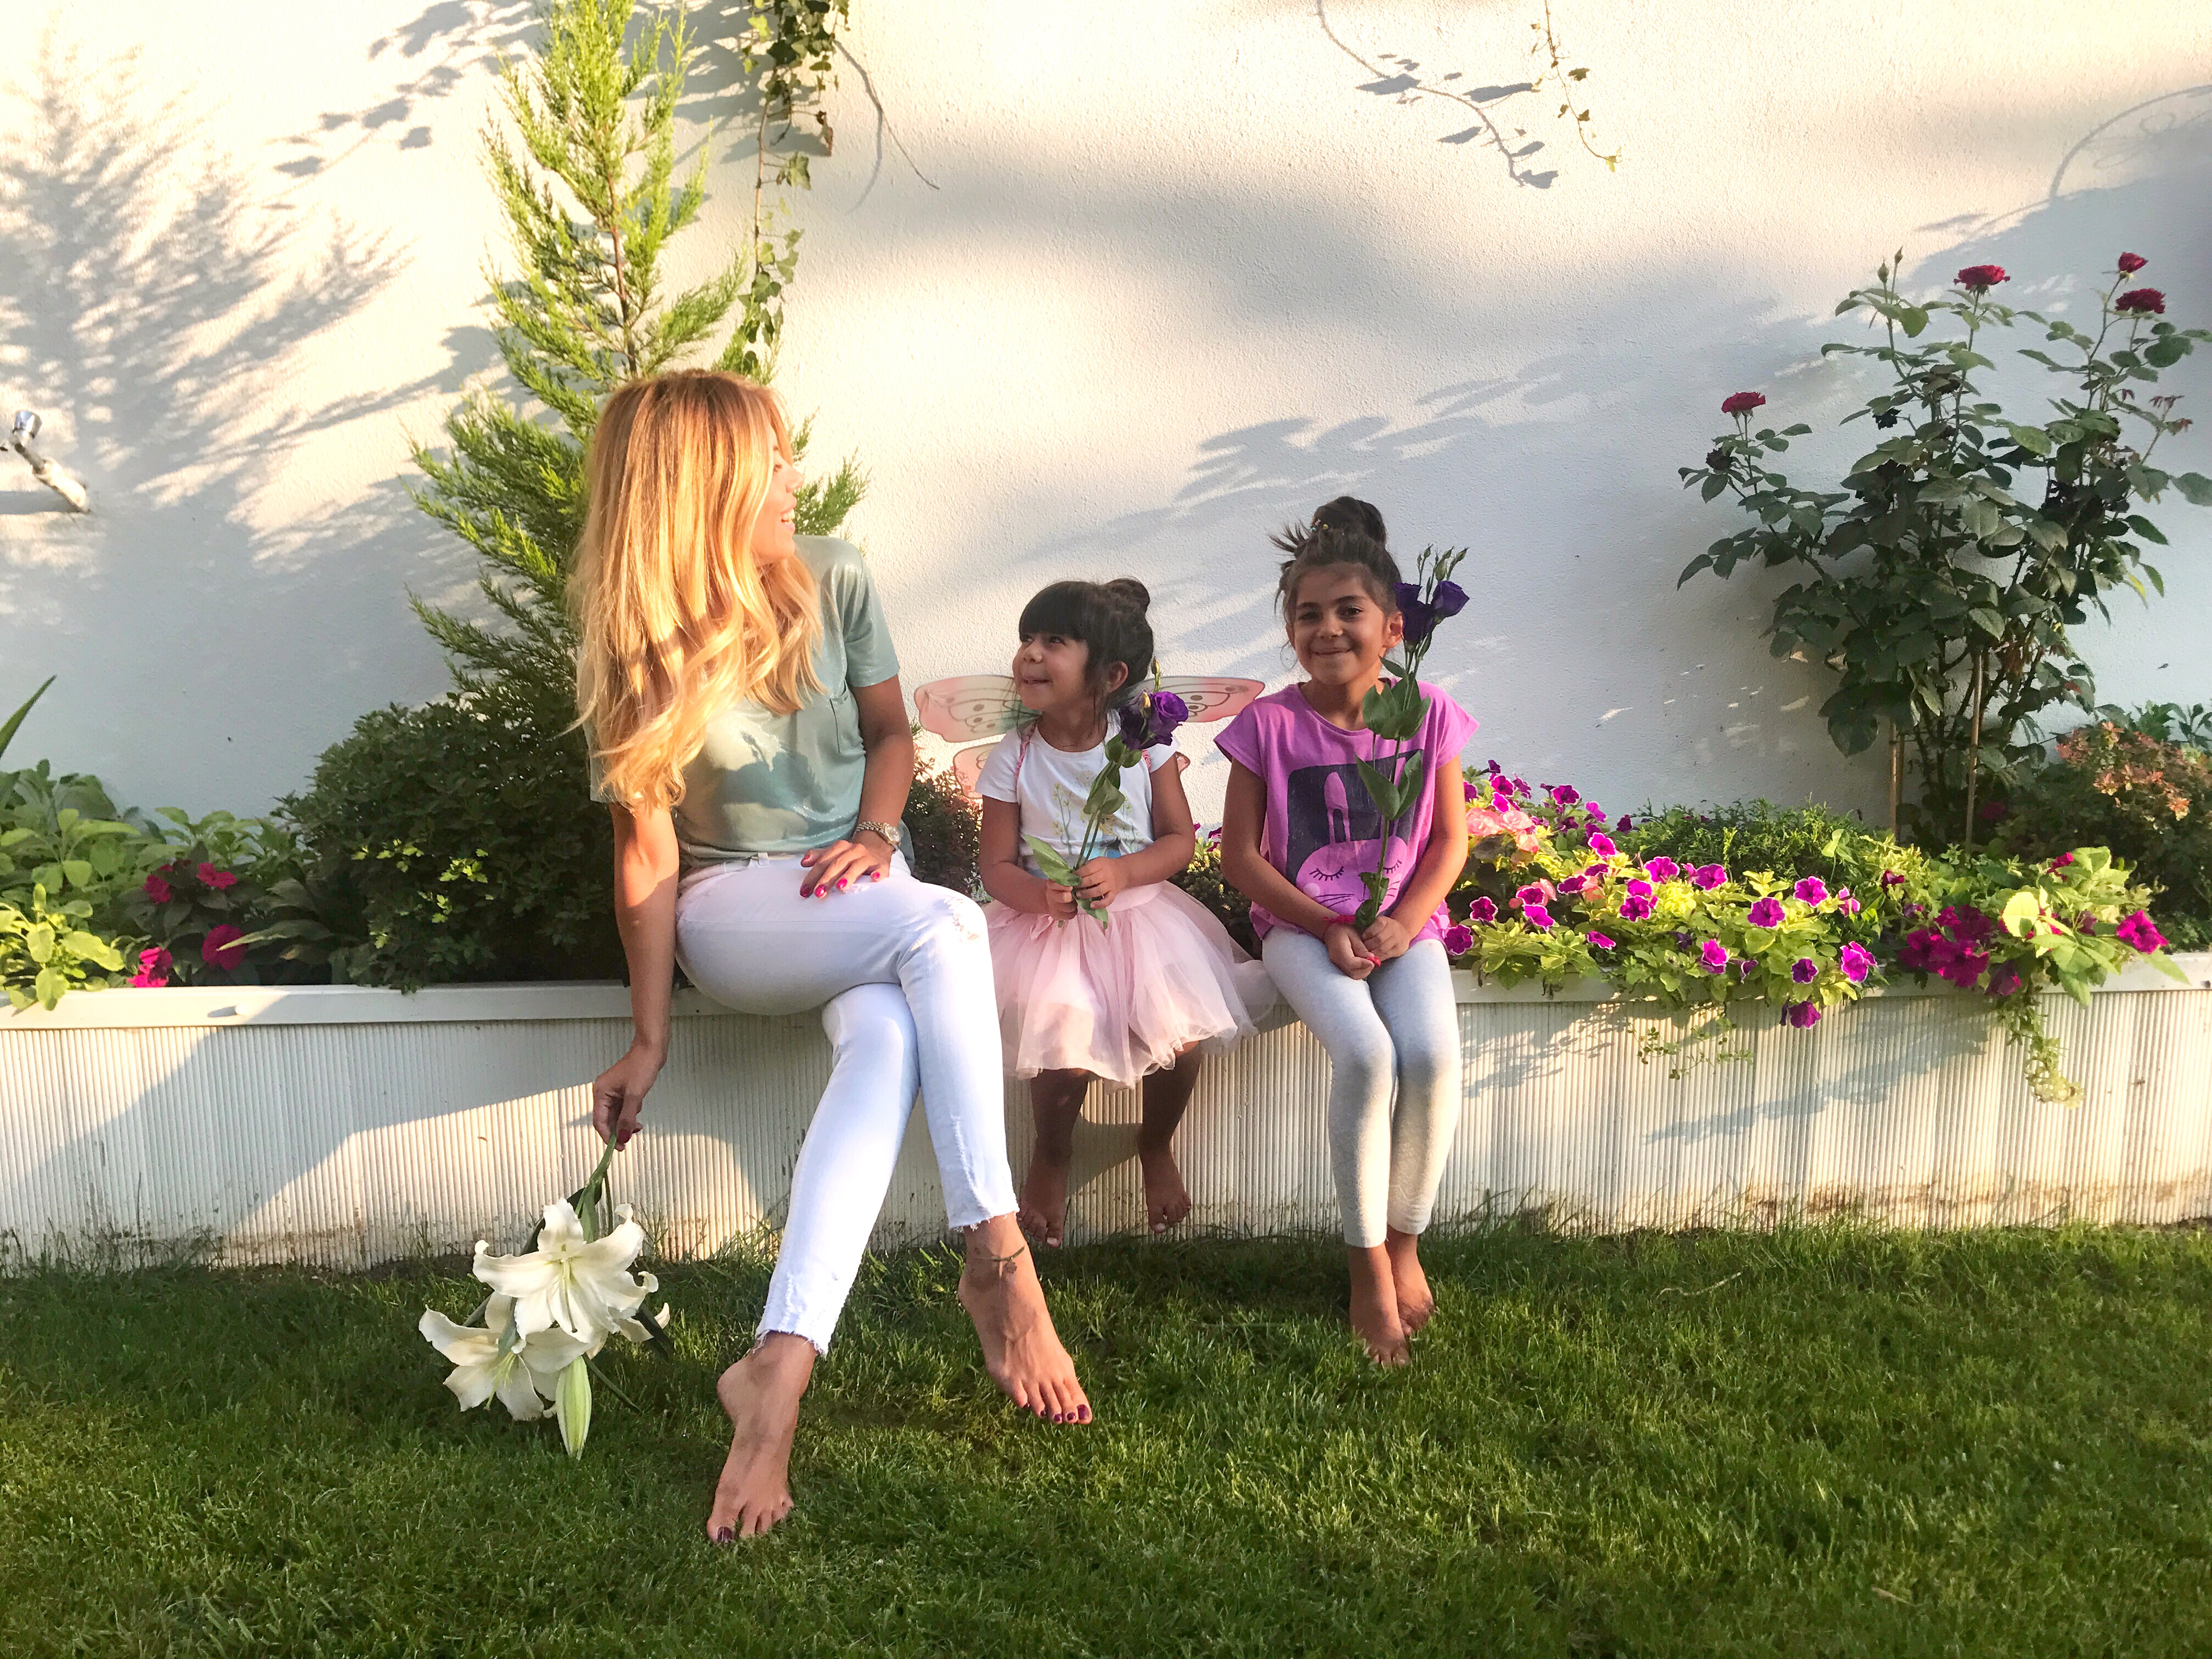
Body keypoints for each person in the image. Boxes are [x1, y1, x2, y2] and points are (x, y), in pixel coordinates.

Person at [573, 370, 1090, 1543]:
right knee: (947, 922)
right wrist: (649, 1036)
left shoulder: (835, 573)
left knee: (892, 1035)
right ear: (706, 486)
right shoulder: (637, 635)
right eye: (770, 461)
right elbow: (647, 851)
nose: (792, 478)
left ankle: (778, 1369)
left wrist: (876, 831)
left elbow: (891, 733)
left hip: (859, 879)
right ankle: (998, 1258)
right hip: (733, 907)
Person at [1214, 519, 1473, 1364]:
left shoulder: (1427, 714)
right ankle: (1366, 1269)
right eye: (1307, 614)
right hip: (1300, 928)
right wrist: (1323, 924)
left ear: (1393, 627)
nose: (1327, 628)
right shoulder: (1266, 727)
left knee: (1430, 1057)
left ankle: (1404, 1242)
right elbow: (1240, 857)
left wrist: (1406, 919)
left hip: (1404, 928)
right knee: (1367, 1055)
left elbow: (1451, 842)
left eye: (1348, 611)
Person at [975, 579, 1272, 1245]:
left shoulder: (1142, 746)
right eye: (1027, 638)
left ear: (1110, 676)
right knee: (1062, 1046)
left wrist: (1125, 871)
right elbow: (995, 865)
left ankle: (1156, 1143)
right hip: (1048, 928)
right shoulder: (1014, 755)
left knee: (1182, 1040)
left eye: (1054, 641)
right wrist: (1039, 895)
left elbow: (1178, 839)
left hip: (1141, 919)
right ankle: (1052, 1154)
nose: (1030, 653)